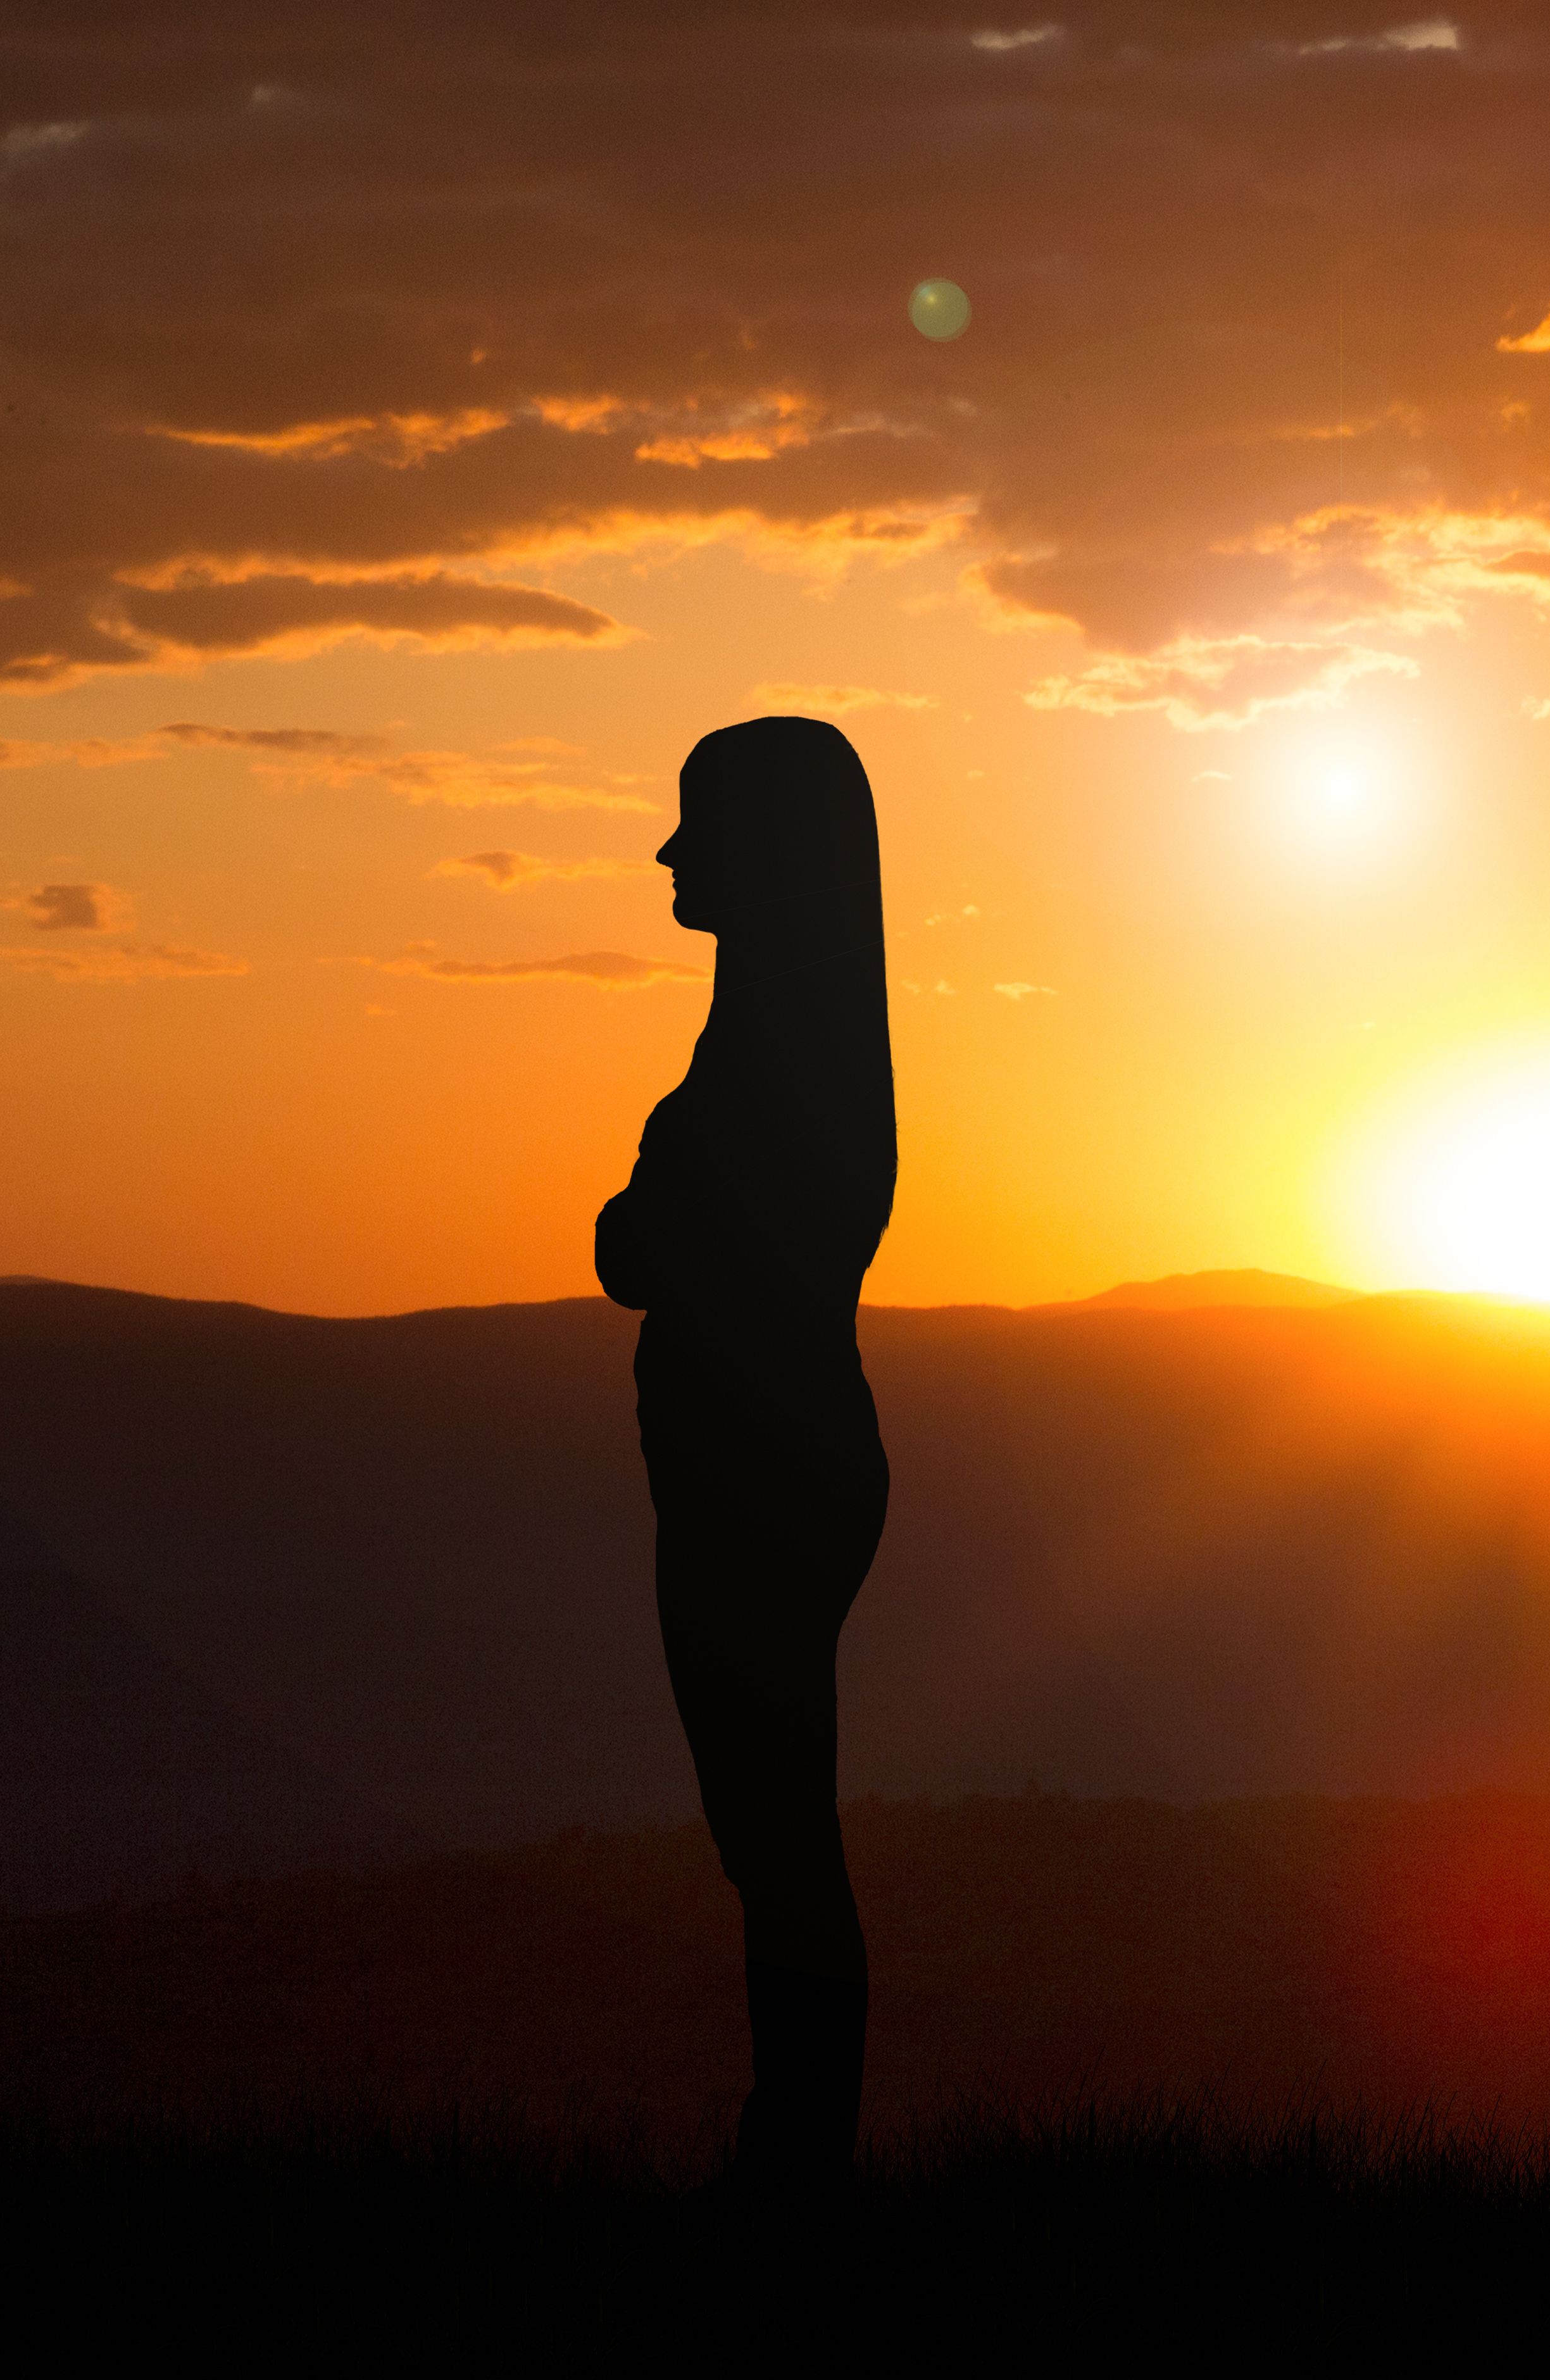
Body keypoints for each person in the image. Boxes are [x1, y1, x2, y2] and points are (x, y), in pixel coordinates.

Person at [594, 716, 897, 2197]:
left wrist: (647, 1221)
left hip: (759, 1481)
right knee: (770, 1836)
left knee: (776, 1841)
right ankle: (796, 2144)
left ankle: (797, 2160)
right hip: (770, 1466)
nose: (667, 850)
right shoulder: (780, 1054)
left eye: (695, 820)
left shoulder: (776, 1073)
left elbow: (642, 1245)